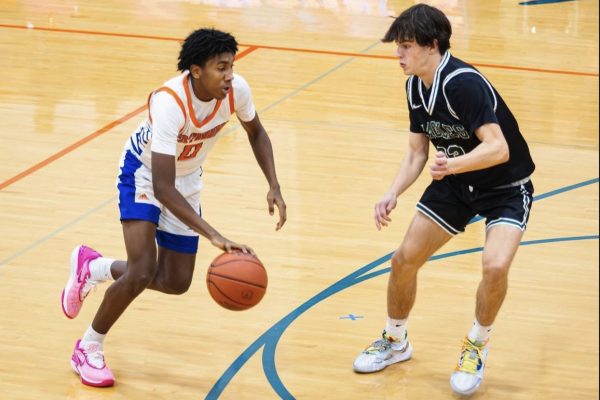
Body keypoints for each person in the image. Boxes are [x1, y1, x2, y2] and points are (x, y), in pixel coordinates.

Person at [61, 28, 287, 387]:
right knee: (141, 269)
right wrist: (215, 235)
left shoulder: (236, 91)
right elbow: (163, 188)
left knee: (174, 281)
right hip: (145, 174)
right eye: (220, 68)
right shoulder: (170, 102)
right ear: (196, 71)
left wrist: (273, 184)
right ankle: (88, 347)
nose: (229, 75)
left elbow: (256, 132)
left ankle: (95, 267)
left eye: (231, 66)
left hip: (186, 178)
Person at [352, 4, 535, 396]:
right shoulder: (415, 85)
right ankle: (395, 340)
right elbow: (418, 152)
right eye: (397, 47)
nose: (398, 55)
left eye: (405, 46)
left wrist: (452, 165)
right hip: (456, 182)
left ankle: (476, 345)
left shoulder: (462, 83)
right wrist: (392, 192)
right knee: (403, 260)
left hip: (505, 186)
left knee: (495, 265)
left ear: (432, 45)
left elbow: (498, 148)